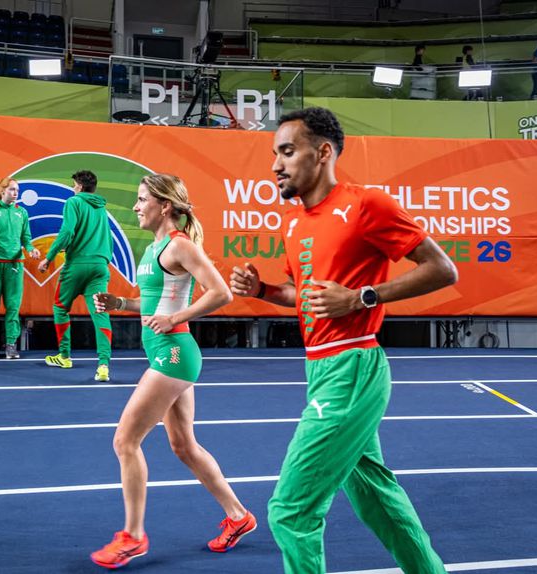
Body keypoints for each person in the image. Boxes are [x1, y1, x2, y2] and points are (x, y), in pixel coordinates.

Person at [230, 107, 457, 574]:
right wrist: (264, 291)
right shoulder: (294, 222)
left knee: (290, 511)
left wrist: (361, 297)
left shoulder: (366, 204)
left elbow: (442, 269)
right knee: (377, 496)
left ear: (324, 151)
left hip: (353, 366)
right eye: (275, 153)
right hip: (320, 368)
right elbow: (305, 297)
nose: (276, 164)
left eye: (288, 151)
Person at [90, 174, 257, 569]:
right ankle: (239, 517)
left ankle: (133, 536)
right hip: (166, 353)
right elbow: (152, 303)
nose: (135, 206)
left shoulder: (181, 245)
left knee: (125, 441)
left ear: (164, 206)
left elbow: (221, 293)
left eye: (142, 199)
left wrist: (176, 318)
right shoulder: (154, 249)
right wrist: (121, 303)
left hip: (174, 355)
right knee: (184, 446)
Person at [37, 170, 114, 381]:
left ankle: (64, 356)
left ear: (79, 186)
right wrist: (103, 261)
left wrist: (49, 257)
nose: (73, 188)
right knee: (101, 314)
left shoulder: (74, 202)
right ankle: (104, 366)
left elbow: (67, 232)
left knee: (60, 308)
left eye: (74, 185)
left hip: (77, 266)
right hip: (100, 267)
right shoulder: (101, 209)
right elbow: (110, 239)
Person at [0, 177, 40, 359]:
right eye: (12, 190)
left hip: (15, 264)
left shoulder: (22, 213)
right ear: (2, 191)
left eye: (17, 191)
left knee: (13, 307)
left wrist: (31, 249)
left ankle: (11, 345)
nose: (15, 193)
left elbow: (26, 239)